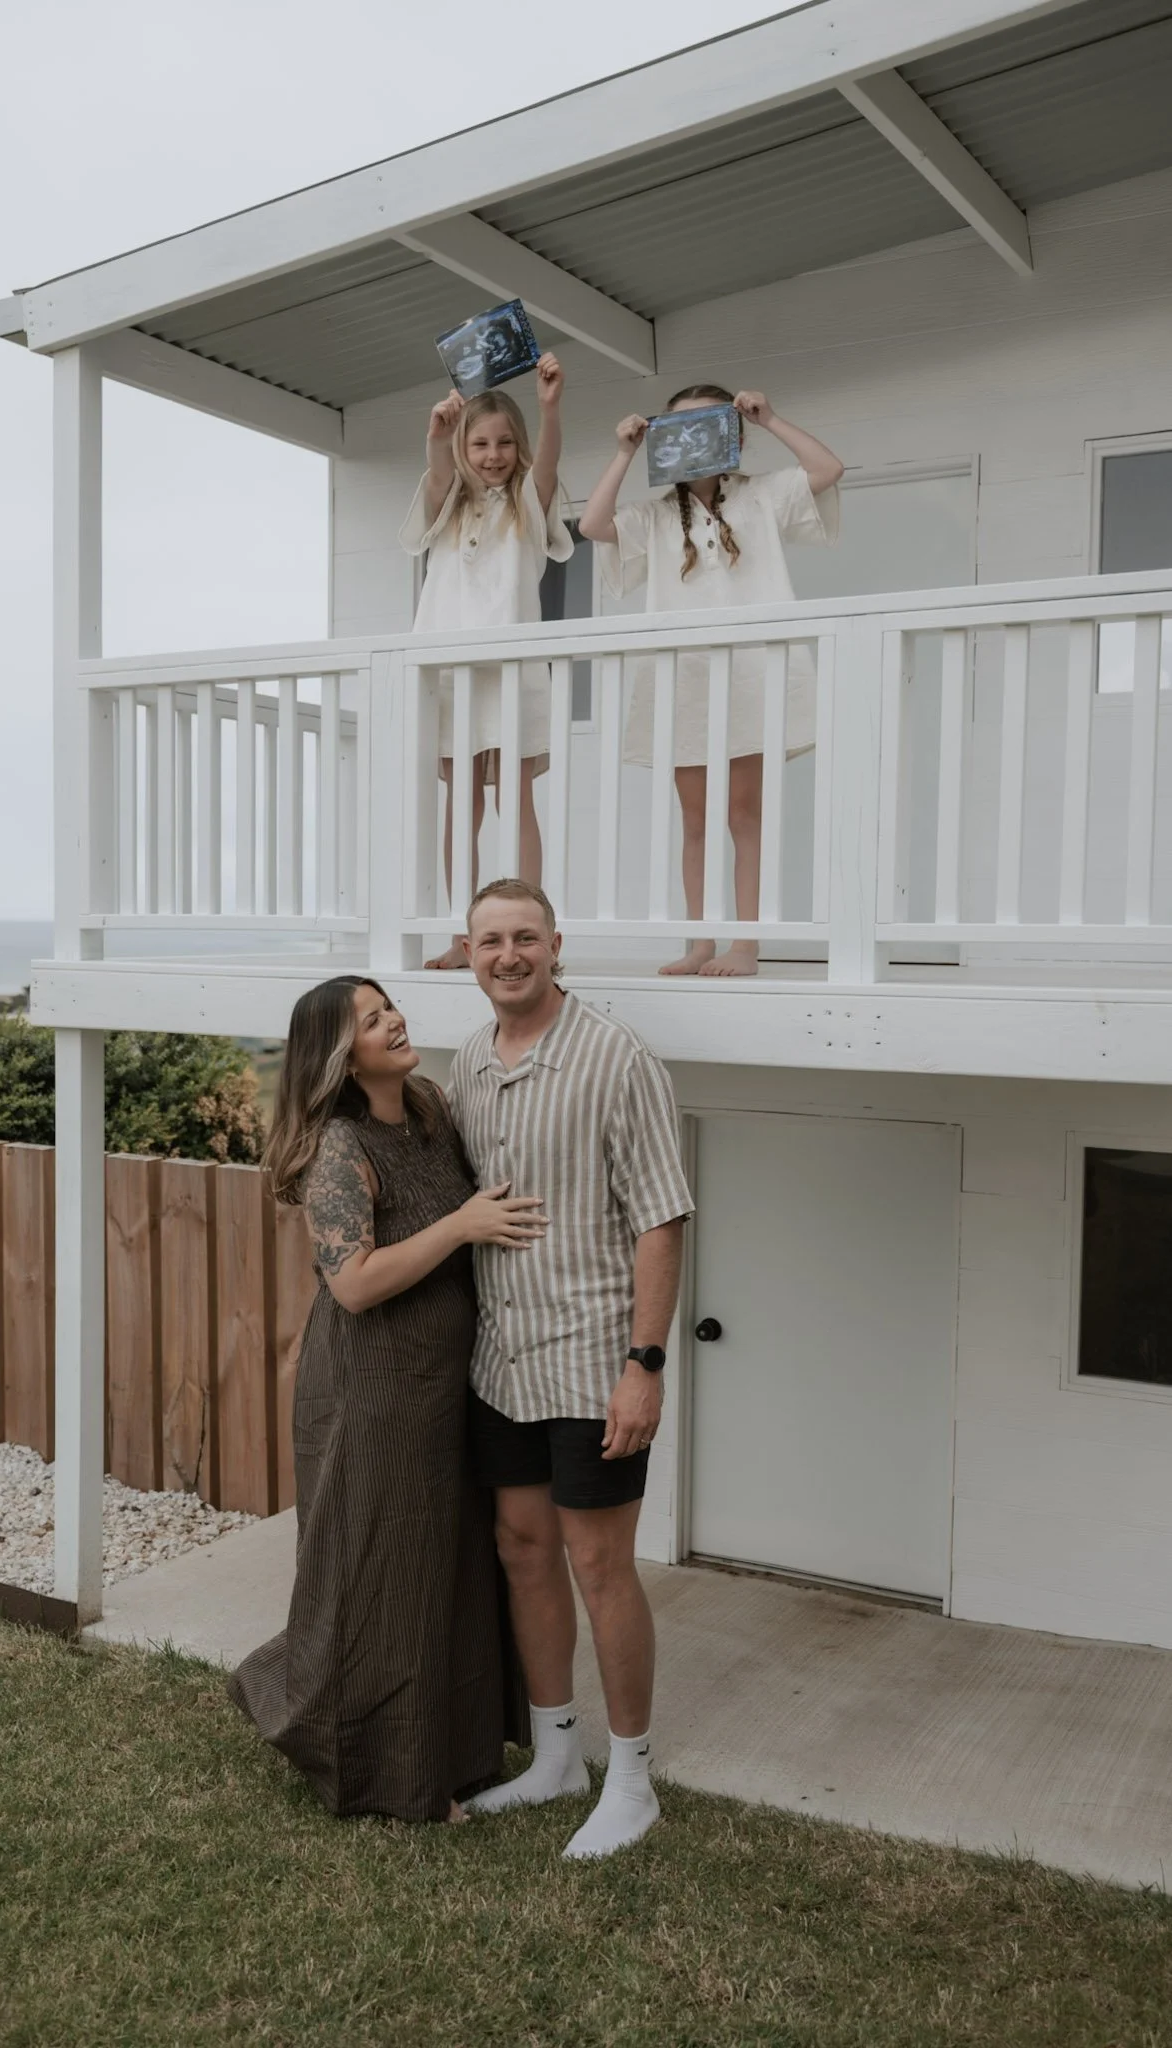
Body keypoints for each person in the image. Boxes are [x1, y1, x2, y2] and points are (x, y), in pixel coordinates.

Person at [227, 976, 540, 1822]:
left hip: (447, 1382)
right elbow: (356, 1284)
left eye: (388, 1006)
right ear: (341, 1053)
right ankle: (386, 1775)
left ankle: (458, 1754)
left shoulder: (431, 1106)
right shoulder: (339, 1147)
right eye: (370, 1020)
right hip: (372, 1390)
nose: (393, 1020)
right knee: (381, 1578)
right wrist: (462, 1227)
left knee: (446, 1570)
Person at [448, 879, 693, 1859]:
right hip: (502, 1359)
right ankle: (556, 1756)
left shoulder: (616, 1058)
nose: (507, 954)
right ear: (466, 952)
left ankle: (632, 1781)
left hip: (594, 1360)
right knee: (521, 1546)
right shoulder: (468, 1060)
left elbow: (661, 1216)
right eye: (488, 940)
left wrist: (646, 1363)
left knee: (599, 1561)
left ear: (556, 944)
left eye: (524, 937)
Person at [579, 384, 843, 978]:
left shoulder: (761, 496)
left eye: (708, 426)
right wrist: (625, 452)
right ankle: (700, 940)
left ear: (733, 434)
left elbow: (827, 469)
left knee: (743, 814)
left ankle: (745, 943)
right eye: (679, 429)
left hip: (750, 670)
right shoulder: (653, 516)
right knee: (694, 820)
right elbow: (594, 524)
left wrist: (770, 417)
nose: (694, 439)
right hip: (686, 677)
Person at [399, 356, 571, 970]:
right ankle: (460, 933)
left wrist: (549, 409)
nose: (492, 454)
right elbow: (441, 478)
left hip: (511, 672)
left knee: (515, 797)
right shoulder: (446, 506)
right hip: (452, 676)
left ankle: (530, 931)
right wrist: (437, 439)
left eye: (503, 442)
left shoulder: (526, 501)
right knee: (461, 803)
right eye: (480, 442)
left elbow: (545, 468)